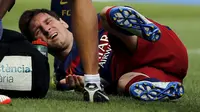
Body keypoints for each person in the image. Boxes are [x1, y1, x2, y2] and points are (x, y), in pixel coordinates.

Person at [18, 6, 188, 101]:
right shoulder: (68, 75)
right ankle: (162, 89)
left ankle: (144, 29)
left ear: (64, 22)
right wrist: (86, 83)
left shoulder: (96, 24)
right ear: (37, 42)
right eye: (38, 31)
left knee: (107, 15)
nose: (47, 29)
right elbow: (104, 86)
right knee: (123, 83)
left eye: (48, 22)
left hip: (158, 48)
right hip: (153, 74)